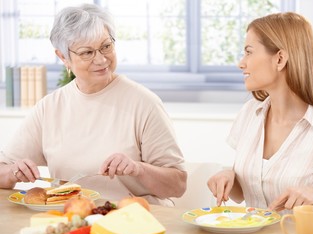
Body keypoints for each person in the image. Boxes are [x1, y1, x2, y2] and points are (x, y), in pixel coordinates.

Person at [0, 3, 186, 206]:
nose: (101, 59)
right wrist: (13, 173)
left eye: (106, 46)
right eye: (87, 52)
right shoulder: (49, 108)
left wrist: (139, 169)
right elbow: (3, 171)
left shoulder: (145, 103)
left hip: (134, 221)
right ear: (63, 57)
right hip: (74, 218)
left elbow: (177, 186)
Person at [207, 12, 313, 227]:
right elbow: (244, 192)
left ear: (280, 59)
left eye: (249, 52)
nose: (241, 63)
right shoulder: (250, 113)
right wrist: (229, 177)